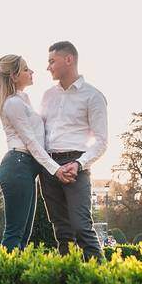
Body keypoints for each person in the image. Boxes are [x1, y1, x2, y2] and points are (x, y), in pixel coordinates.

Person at [0, 54, 75, 251]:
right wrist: (55, 169)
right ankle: (4, 278)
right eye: (25, 69)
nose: (31, 72)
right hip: (18, 165)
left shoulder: (23, 100)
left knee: (23, 236)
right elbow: (31, 142)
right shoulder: (12, 104)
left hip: (26, 169)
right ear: (13, 76)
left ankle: (16, 277)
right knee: (14, 234)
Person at [39, 41, 108, 260]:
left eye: (52, 61)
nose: (48, 66)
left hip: (76, 164)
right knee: (61, 230)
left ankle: (101, 280)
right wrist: (49, 165)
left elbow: (101, 141)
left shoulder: (93, 96)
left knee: (81, 226)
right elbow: (41, 134)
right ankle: (68, 282)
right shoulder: (47, 95)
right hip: (50, 166)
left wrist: (78, 164)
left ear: (69, 60)